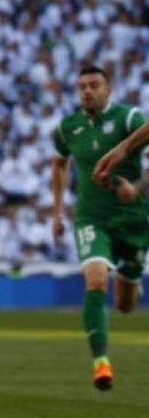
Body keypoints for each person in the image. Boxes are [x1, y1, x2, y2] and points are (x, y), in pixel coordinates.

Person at [51, 65, 147, 391]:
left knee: (125, 305)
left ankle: (132, 280)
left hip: (133, 219)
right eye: (81, 87)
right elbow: (60, 164)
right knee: (95, 280)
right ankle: (101, 362)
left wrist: (137, 187)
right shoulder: (68, 128)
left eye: (94, 85)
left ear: (109, 88)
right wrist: (57, 212)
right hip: (91, 218)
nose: (87, 91)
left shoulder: (128, 117)